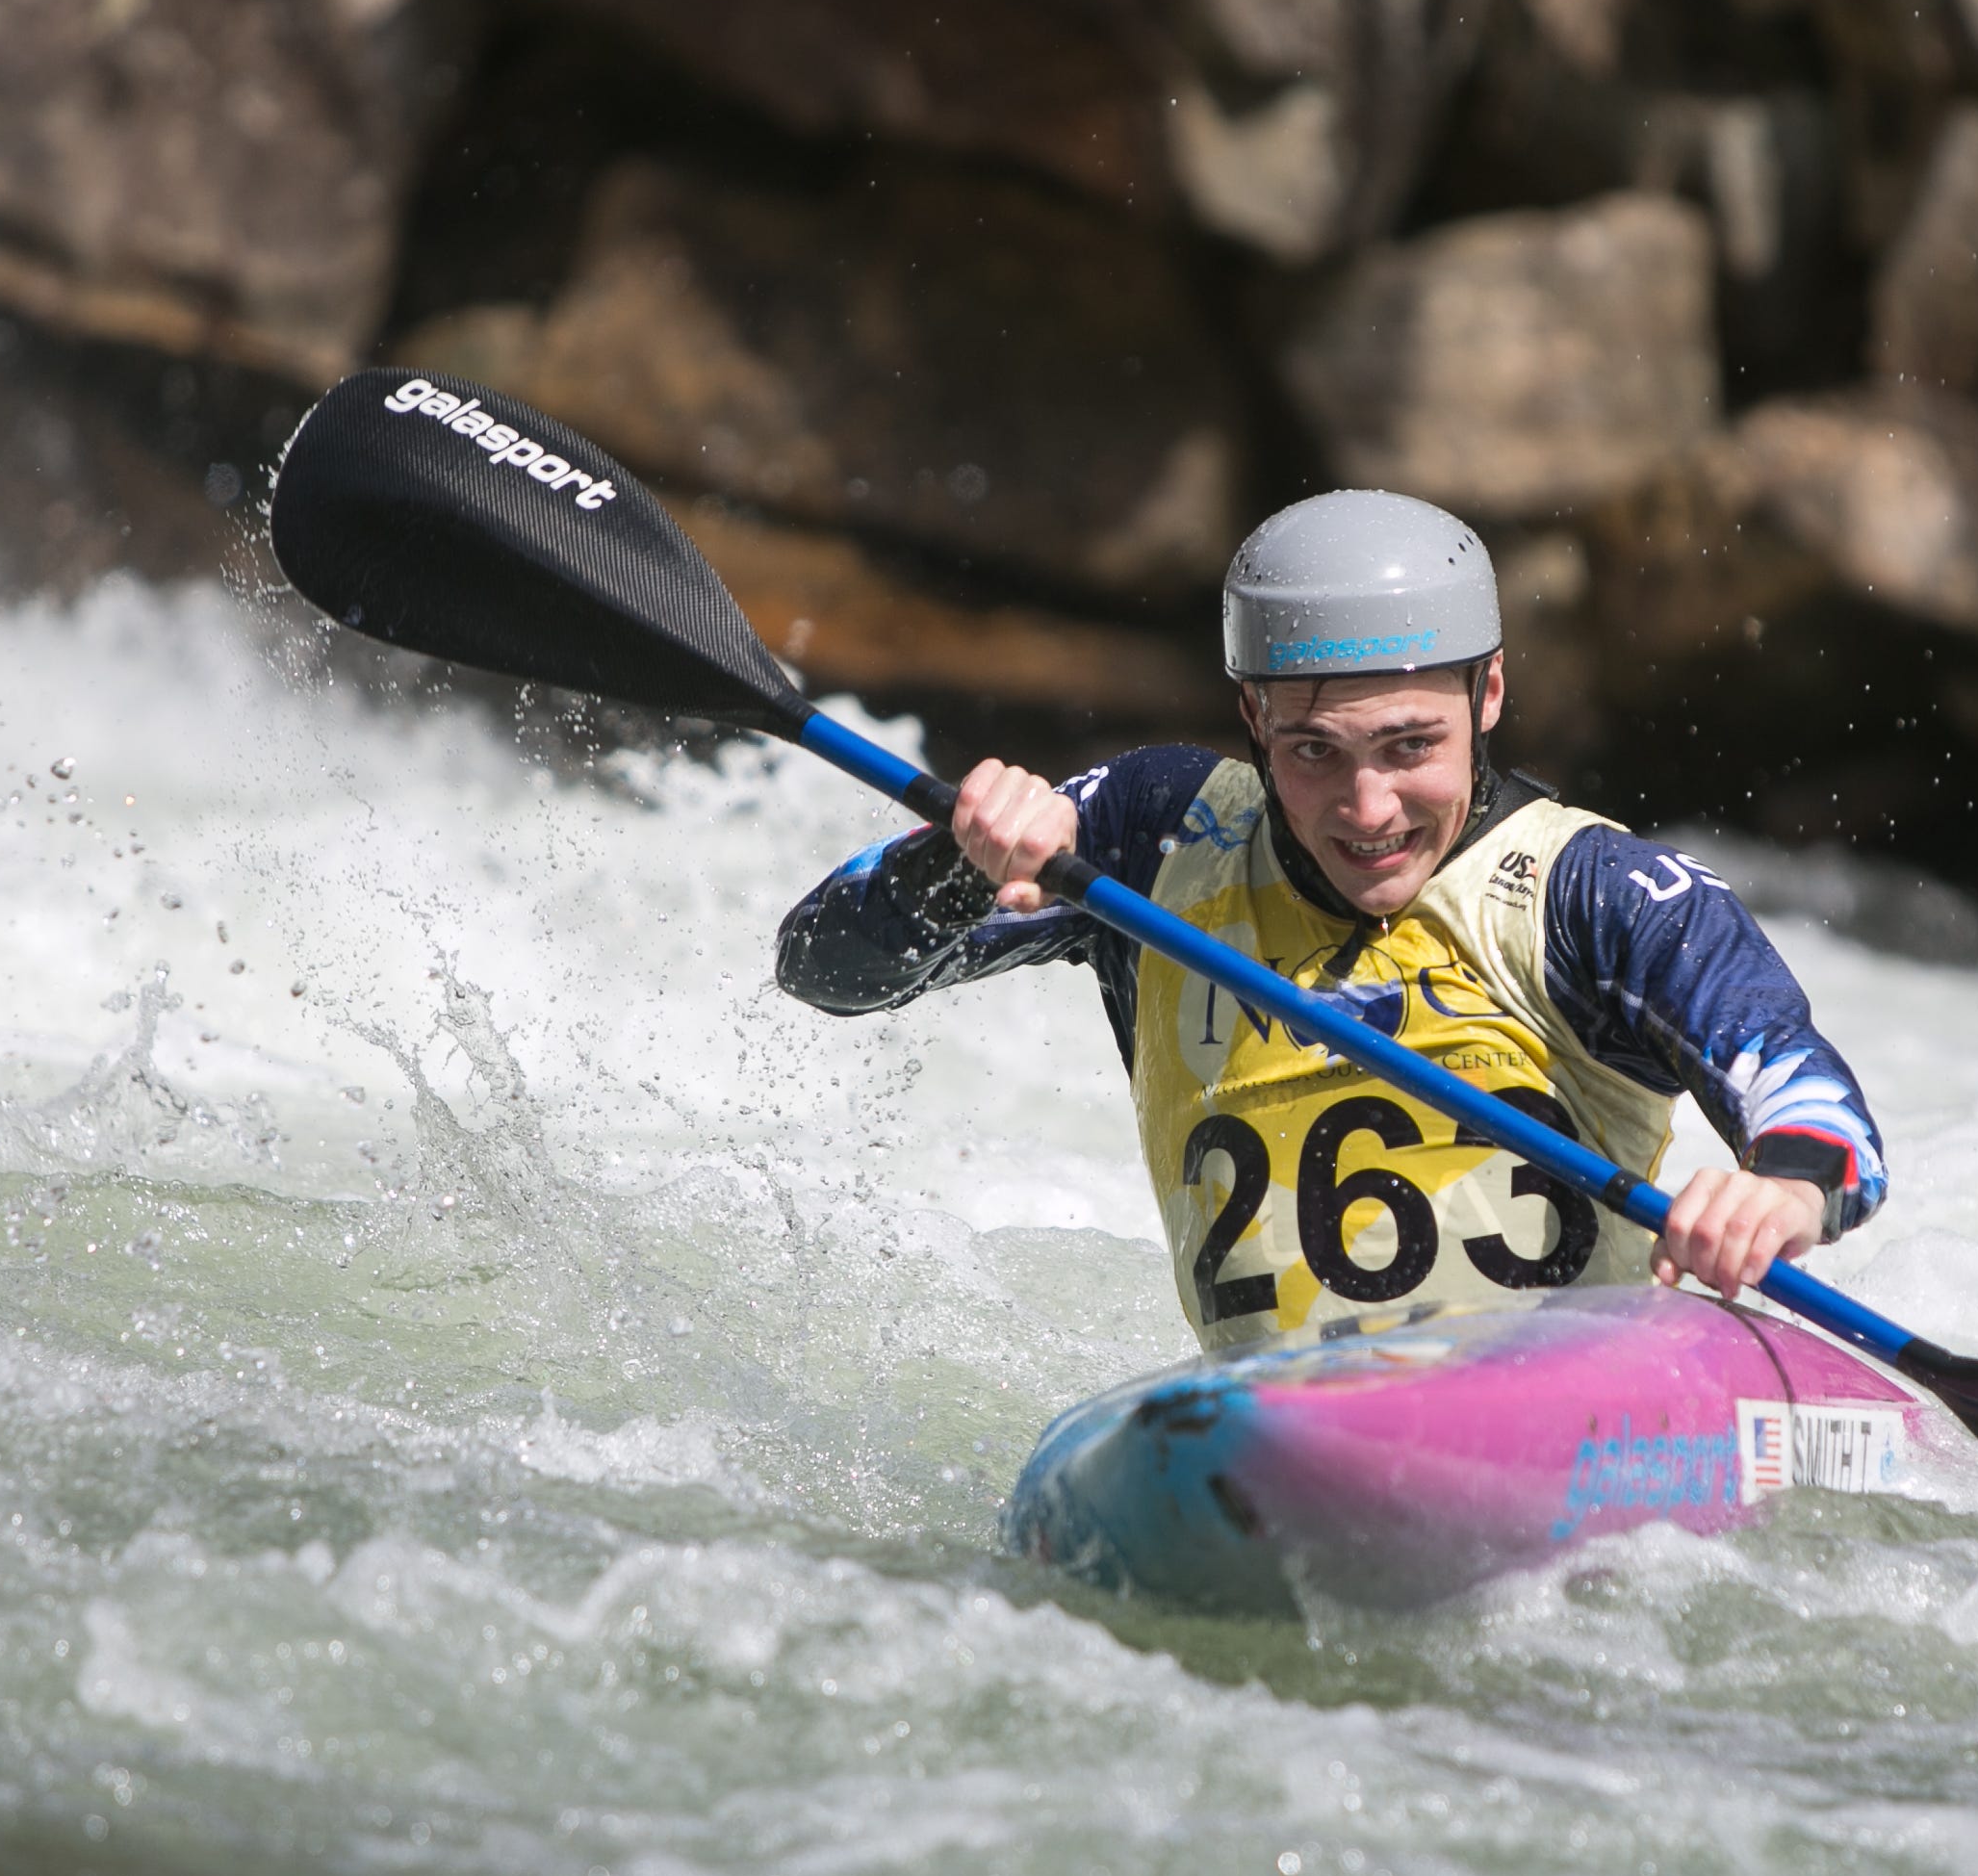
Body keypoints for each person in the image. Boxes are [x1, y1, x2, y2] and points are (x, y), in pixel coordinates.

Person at [775, 488, 1887, 1354]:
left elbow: (1813, 1101)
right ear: (1251, 716)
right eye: (1313, 751)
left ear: (1488, 695)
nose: (1367, 811)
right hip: (1281, 1431)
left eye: (1409, 746)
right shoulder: (1155, 834)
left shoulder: (1593, 894)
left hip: (1566, 1420)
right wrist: (963, 866)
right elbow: (822, 966)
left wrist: (1780, 1189)